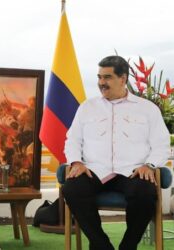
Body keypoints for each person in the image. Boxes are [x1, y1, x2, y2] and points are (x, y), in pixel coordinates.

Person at [62, 55, 170, 250]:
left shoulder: (148, 109)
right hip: (94, 169)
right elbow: (73, 140)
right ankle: (102, 246)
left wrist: (150, 165)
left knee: (145, 193)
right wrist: (76, 162)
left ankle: (128, 246)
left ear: (123, 78)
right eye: (99, 77)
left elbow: (161, 145)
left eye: (107, 77)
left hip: (132, 170)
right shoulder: (87, 108)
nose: (101, 83)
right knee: (72, 189)